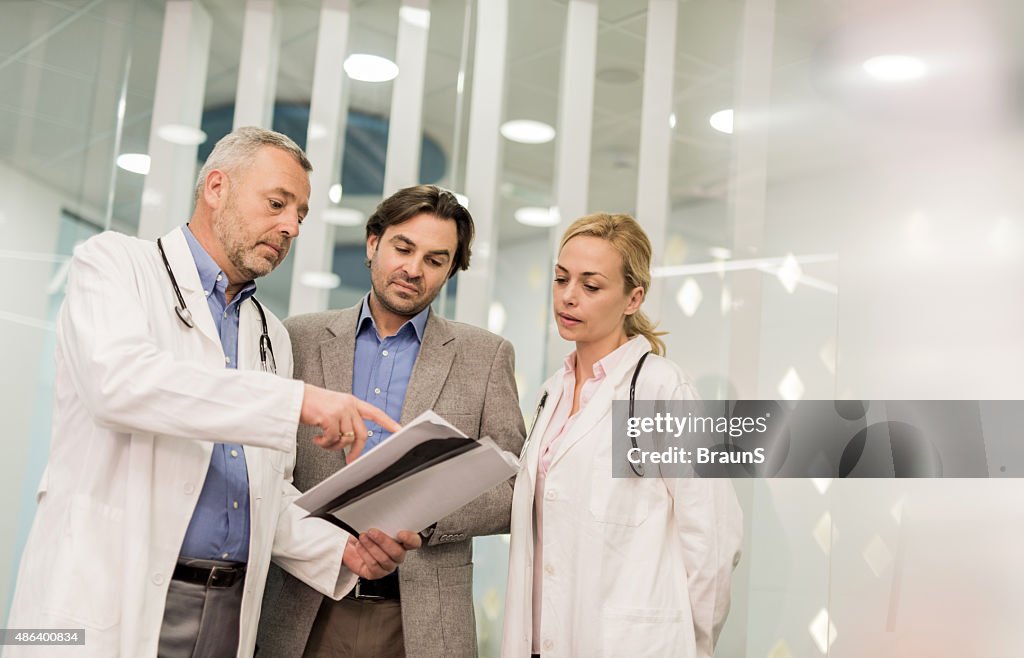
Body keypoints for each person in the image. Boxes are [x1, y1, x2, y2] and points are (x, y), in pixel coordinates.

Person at [4, 127, 421, 658]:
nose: (291, 225)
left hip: (225, 610)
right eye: (277, 202)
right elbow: (121, 384)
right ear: (216, 187)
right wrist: (296, 401)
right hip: (100, 601)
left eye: (300, 214)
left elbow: (264, 495)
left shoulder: (269, 332)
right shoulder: (112, 265)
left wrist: (345, 551)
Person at [257, 185, 526, 658]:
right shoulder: (295, 338)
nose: (413, 269)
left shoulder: (484, 356)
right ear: (373, 243)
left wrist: (427, 518)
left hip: (421, 620)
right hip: (303, 608)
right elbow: (262, 465)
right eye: (403, 248)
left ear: (450, 271)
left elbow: (513, 488)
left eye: (435, 260)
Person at [501, 213, 743, 658]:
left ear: (633, 298)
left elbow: (712, 538)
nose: (569, 297)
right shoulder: (550, 393)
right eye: (561, 279)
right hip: (541, 640)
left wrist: (693, 645)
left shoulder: (660, 389)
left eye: (591, 286)